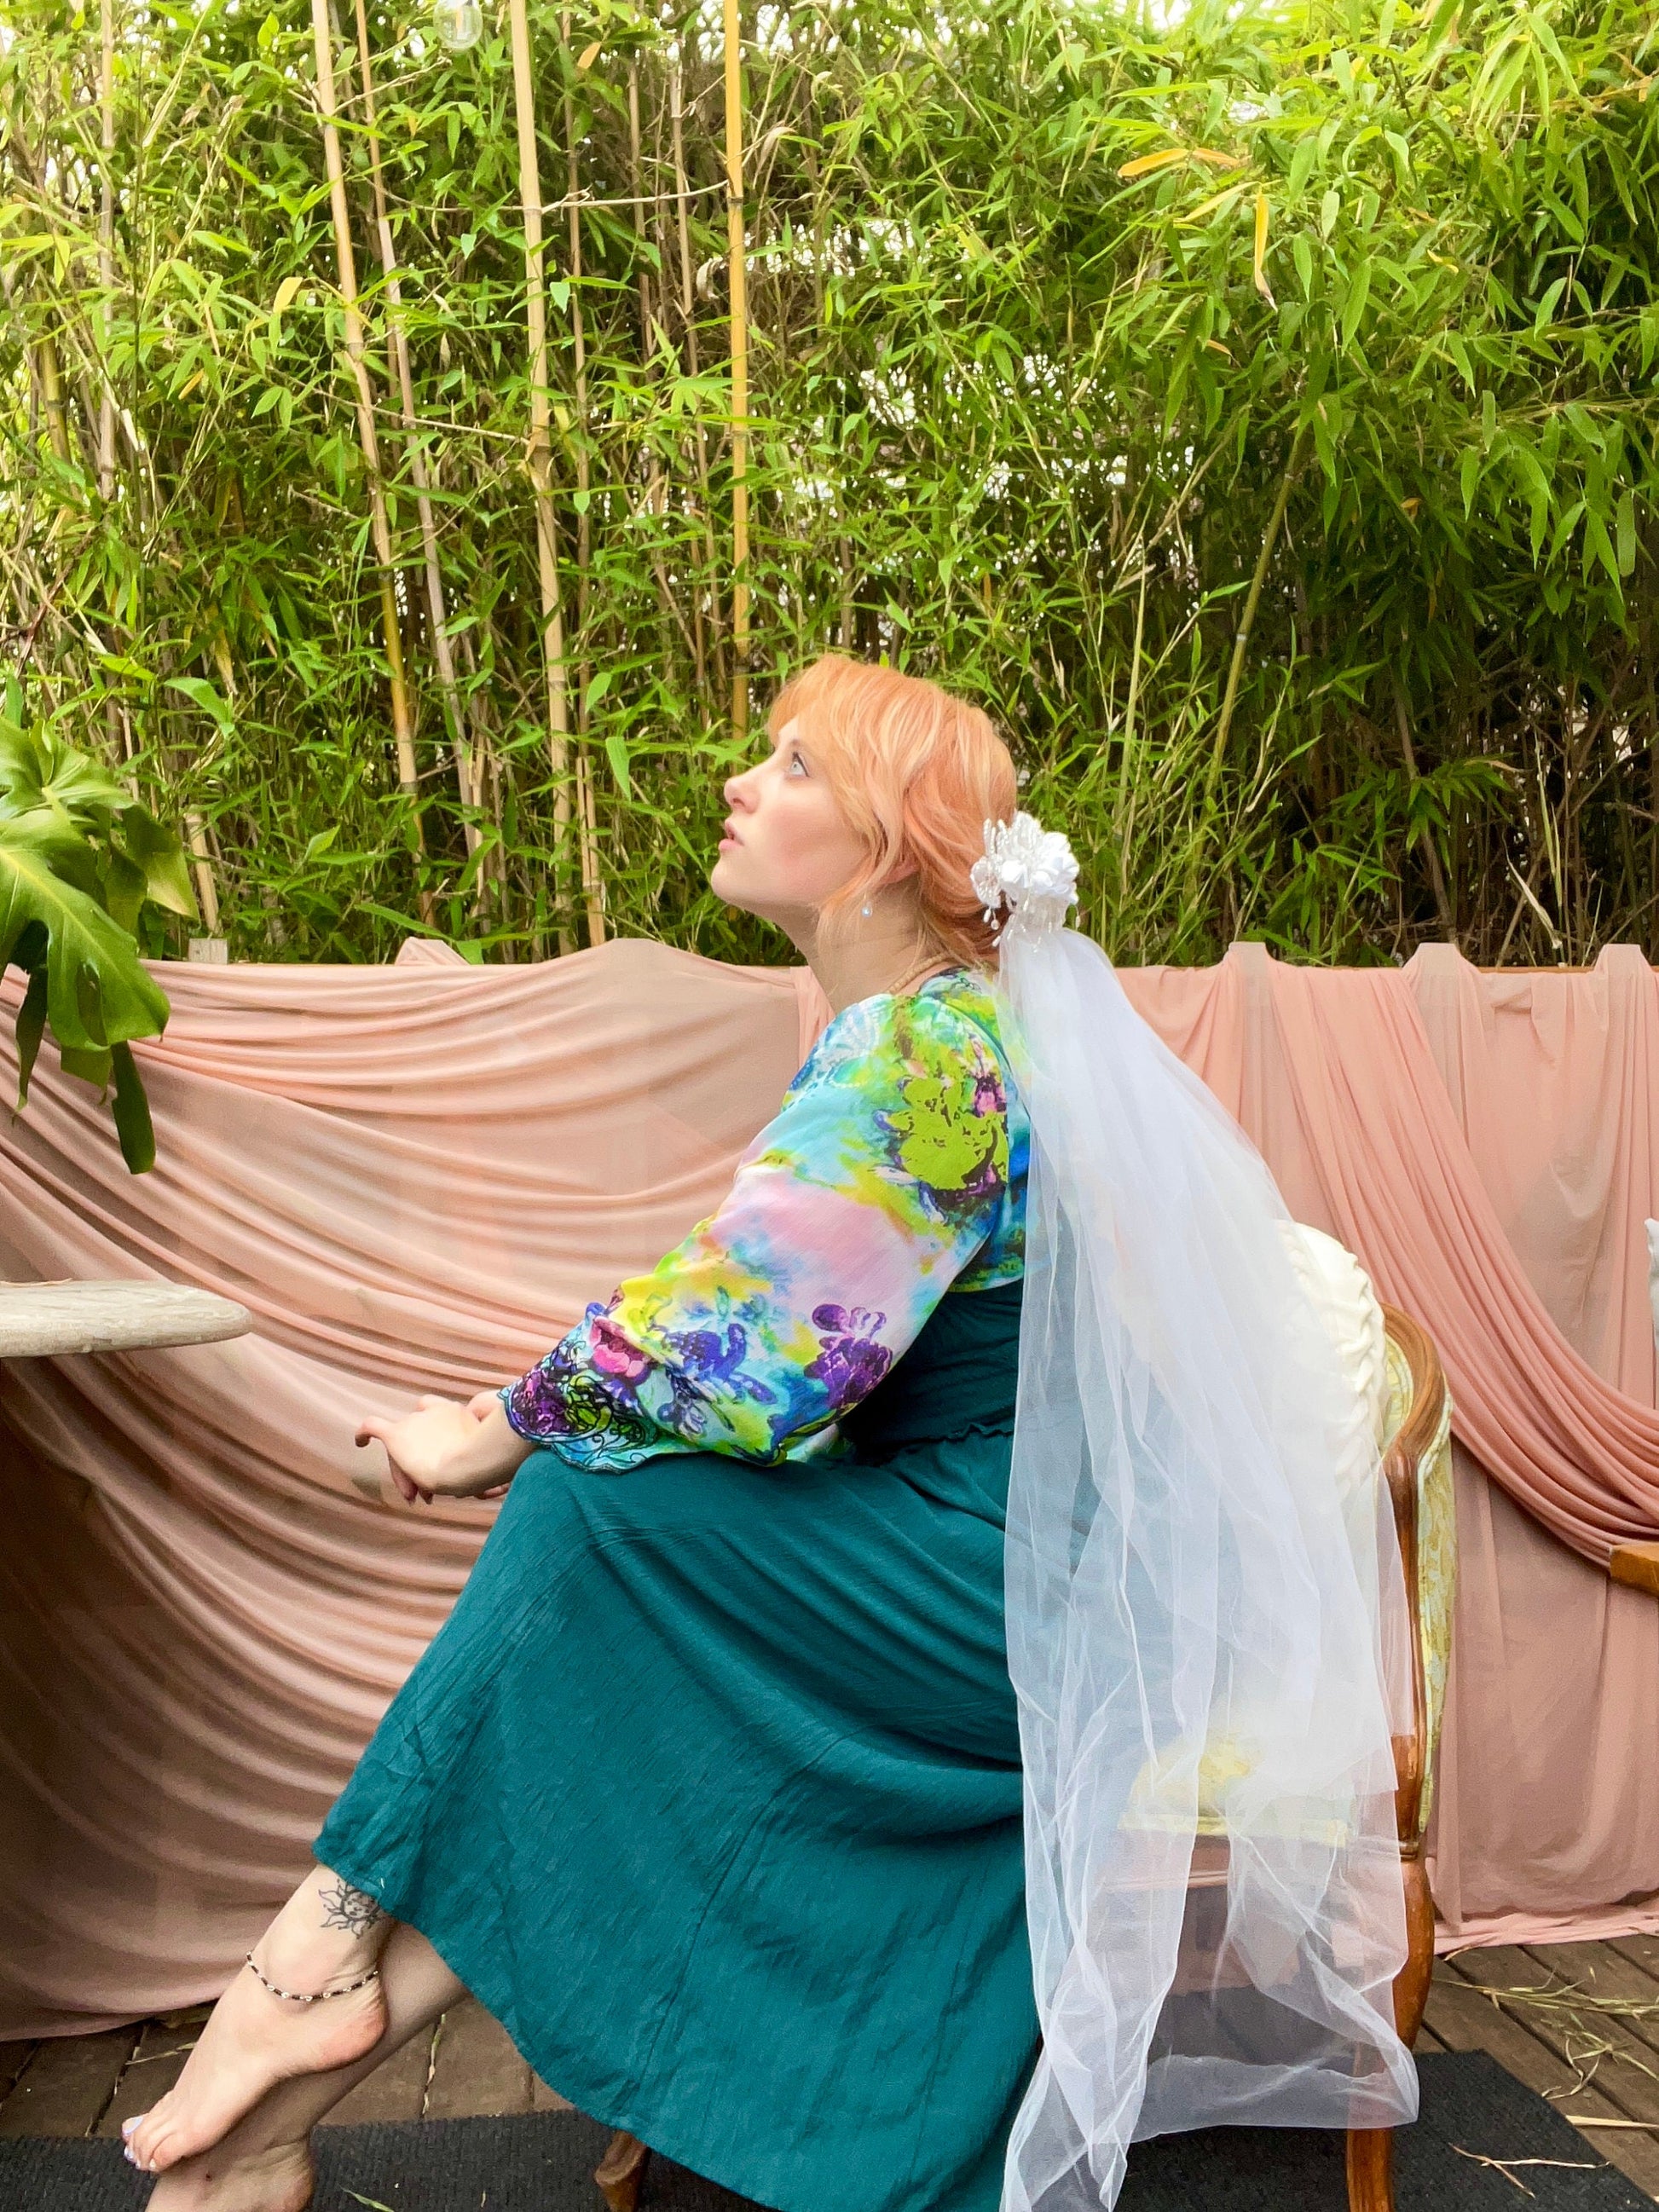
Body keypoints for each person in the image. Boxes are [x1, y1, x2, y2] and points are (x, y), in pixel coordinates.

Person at [126, 656, 1043, 2212]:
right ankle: (271, 2106)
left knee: (582, 1513)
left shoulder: (925, 1053)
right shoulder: (926, 1031)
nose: (740, 783)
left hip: (1002, 1584)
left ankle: (304, 1962)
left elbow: (758, 1351)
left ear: (890, 848)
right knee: (598, 1579)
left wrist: (494, 1424)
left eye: (795, 765)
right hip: (973, 1549)